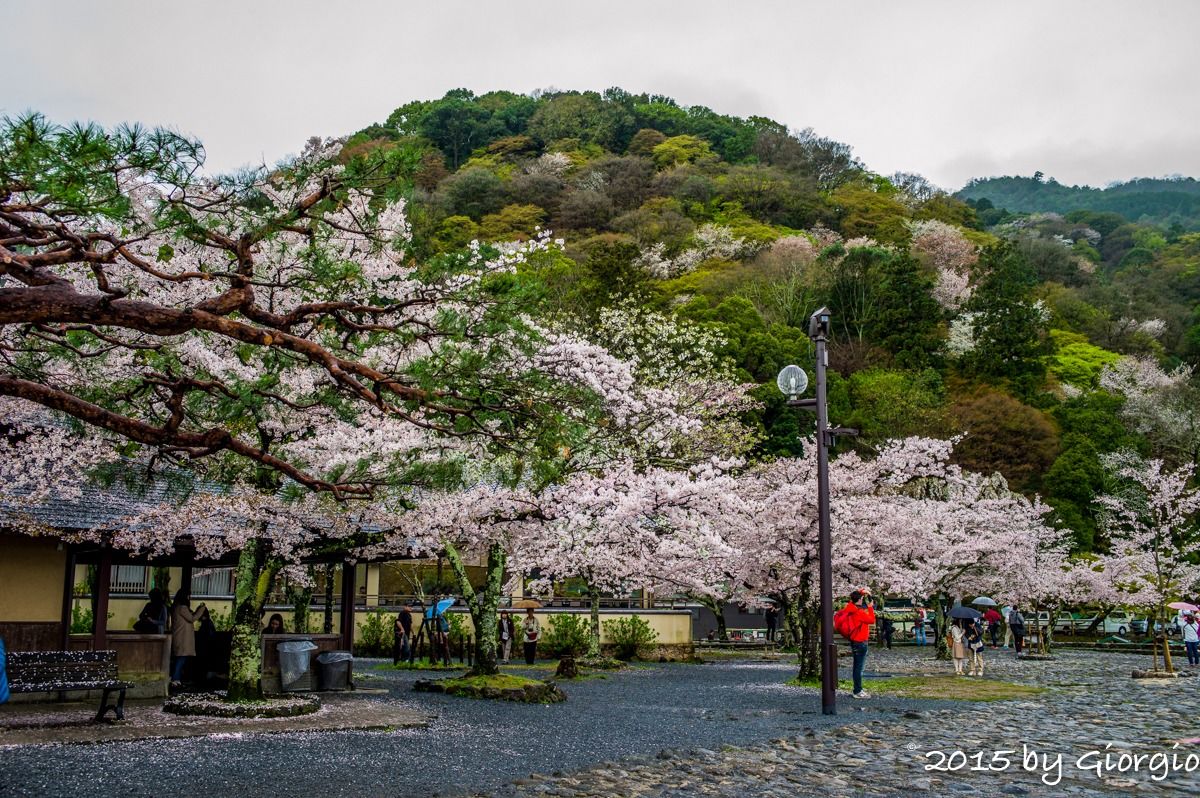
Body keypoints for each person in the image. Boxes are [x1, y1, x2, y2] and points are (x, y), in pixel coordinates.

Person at [840, 588, 876, 699]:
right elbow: (871, 620)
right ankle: (858, 691)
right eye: (861, 599)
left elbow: (854, 599)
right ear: (859, 600)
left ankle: (857, 689)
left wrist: (862, 593)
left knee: (857, 666)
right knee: (859, 668)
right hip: (861, 641)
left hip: (854, 640)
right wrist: (870, 607)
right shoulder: (858, 612)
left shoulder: (849, 609)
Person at [170, 589, 207, 687]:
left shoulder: (176, 607)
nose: (189, 598)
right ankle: (175, 679)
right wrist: (201, 609)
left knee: (180, 658)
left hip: (179, 636)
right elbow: (192, 618)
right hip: (182, 637)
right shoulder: (182, 608)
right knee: (181, 658)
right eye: (188, 596)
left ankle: (176, 679)